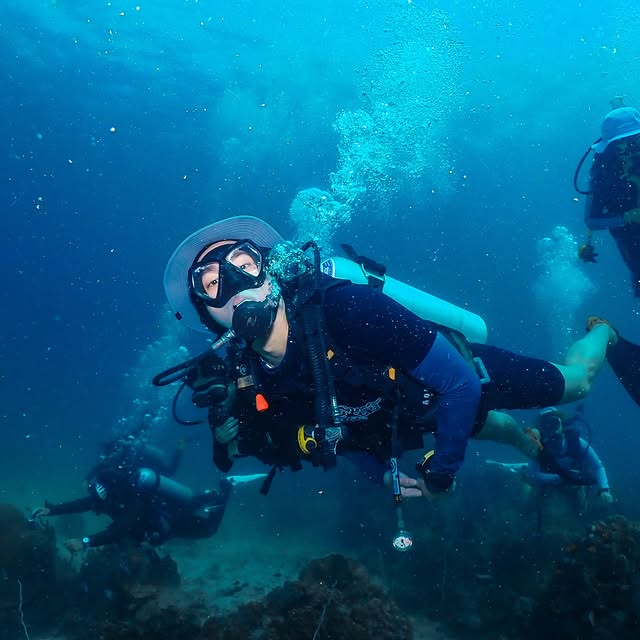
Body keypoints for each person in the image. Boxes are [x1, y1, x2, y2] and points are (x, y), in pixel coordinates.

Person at [162, 216, 615, 499]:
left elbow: (460, 384)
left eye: (243, 265)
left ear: (272, 273)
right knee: (497, 429)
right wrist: (381, 475)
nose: (234, 286)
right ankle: (527, 443)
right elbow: (338, 436)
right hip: (413, 413)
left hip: (452, 378)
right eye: (211, 282)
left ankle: (602, 332)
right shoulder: (253, 379)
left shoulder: (350, 309)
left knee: (578, 382)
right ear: (207, 315)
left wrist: (442, 473)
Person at [31, 439, 233, 552]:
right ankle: (207, 496)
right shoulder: (106, 495)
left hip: (169, 519)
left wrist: (84, 542)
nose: (97, 500)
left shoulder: (135, 497)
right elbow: (82, 504)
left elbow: (121, 529)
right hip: (152, 523)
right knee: (193, 504)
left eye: (100, 493)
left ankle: (225, 489)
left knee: (209, 529)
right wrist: (52, 510)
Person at [488, 407, 613, 509]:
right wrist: (557, 479)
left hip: (571, 483)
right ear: (541, 429)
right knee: (527, 505)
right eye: (545, 425)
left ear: (562, 424)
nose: (550, 428)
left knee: (581, 508)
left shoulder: (576, 443)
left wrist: (604, 489)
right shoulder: (538, 447)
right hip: (549, 481)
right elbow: (533, 475)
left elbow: (598, 466)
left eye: (554, 423)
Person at [580, 106, 640, 295]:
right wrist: (628, 217)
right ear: (612, 146)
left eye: (636, 139)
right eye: (624, 142)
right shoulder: (603, 172)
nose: (632, 146)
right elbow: (591, 220)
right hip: (633, 239)